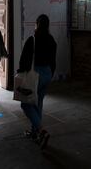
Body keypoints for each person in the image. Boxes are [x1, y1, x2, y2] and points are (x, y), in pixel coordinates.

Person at [18, 14, 57, 149]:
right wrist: (51, 74)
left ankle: (41, 130)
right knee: (38, 103)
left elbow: (24, 60)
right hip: (47, 74)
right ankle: (35, 132)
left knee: (26, 104)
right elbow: (53, 60)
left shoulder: (32, 39)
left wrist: (20, 73)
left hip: (35, 75)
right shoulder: (51, 40)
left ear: (37, 24)